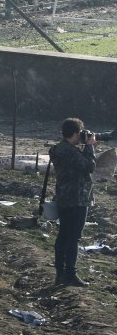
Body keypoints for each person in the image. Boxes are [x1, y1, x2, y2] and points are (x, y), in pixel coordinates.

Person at [49, 118, 96, 286]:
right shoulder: (70, 151)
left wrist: (84, 146)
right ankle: (70, 274)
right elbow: (89, 166)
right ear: (76, 133)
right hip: (76, 199)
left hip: (63, 197)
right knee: (73, 238)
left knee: (63, 236)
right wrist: (89, 146)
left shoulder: (57, 149)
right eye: (80, 133)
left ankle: (60, 274)